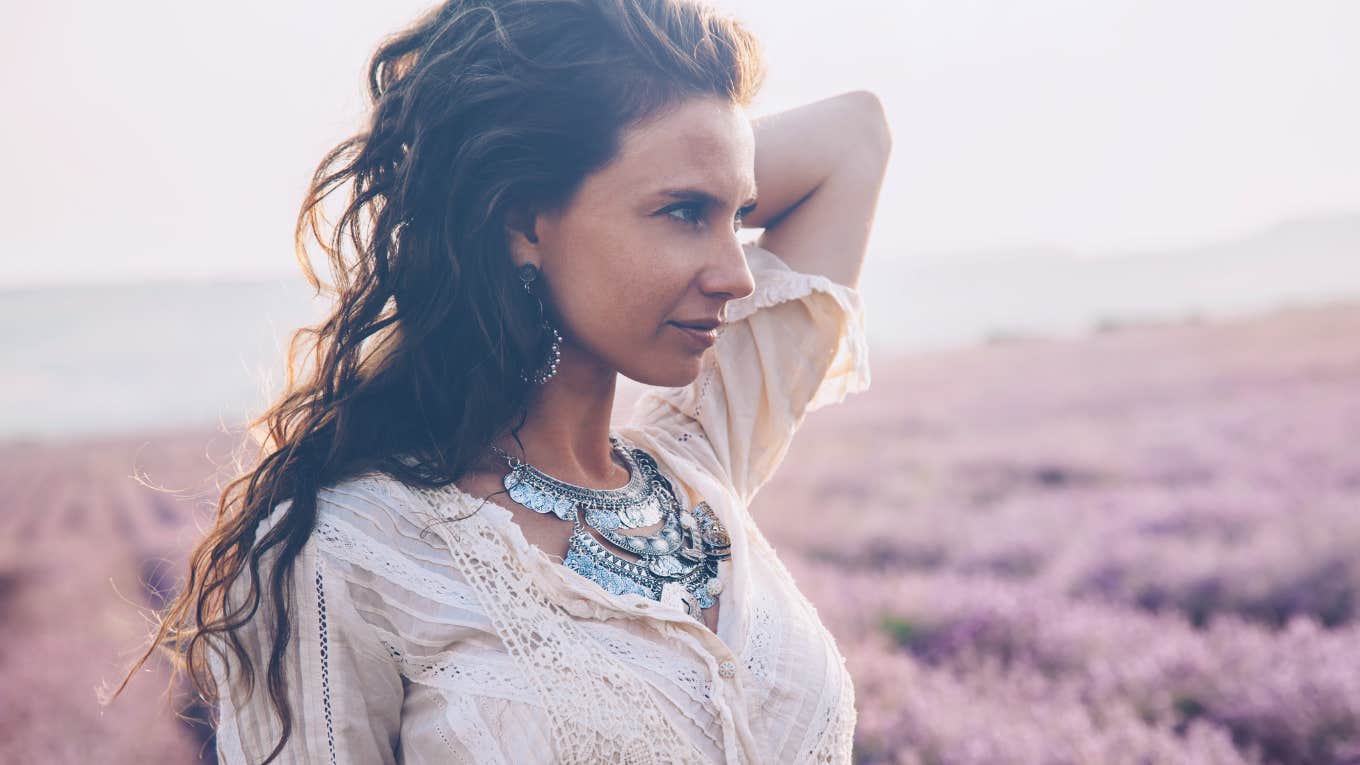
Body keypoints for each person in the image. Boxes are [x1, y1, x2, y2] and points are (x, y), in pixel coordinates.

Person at [113, 0, 890, 761]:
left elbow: (856, 135)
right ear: (523, 222)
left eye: (740, 212)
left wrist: (692, 156)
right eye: (685, 213)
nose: (736, 272)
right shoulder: (347, 554)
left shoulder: (702, 463)